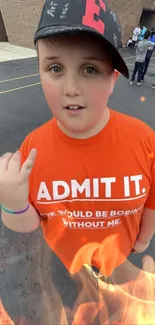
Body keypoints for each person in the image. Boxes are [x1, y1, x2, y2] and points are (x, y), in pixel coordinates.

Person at [0, 0, 155, 294]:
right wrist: (12, 203)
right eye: (55, 67)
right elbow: (30, 222)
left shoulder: (144, 141)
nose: (71, 87)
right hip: (66, 265)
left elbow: (152, 203)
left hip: (121, 257)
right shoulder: (33, 149)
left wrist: (144, 240)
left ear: (112, 79)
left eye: (89, 69)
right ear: (40, 71)